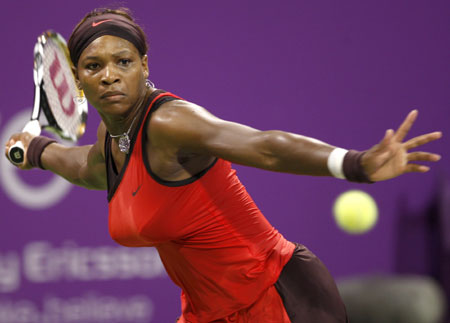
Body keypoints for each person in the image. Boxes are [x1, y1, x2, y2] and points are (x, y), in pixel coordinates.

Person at [4, 8, 442, 323]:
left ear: (144, 66)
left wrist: (355, 164)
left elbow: (264, 146)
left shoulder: (170, 122)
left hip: (276, 300)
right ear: (78, 81)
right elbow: (91, 169)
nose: (110, 75)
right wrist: (38, 151)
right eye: (94, 66)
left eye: (124, 62)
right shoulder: (113, 137)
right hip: (206, 311)